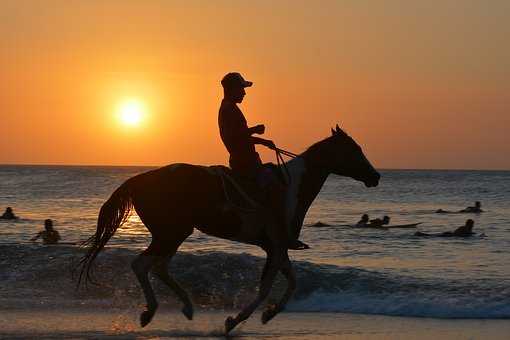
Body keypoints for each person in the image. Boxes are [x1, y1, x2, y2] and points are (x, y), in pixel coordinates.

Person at [218, 72, 307, 250]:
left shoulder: (229, 108)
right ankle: (280, 234)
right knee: (276, 188)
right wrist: (255, 130)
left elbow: (239, 137)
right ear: (232, 89)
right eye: (241, 89)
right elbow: (234, 137)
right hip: (245, 162)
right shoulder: (229, 109)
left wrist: (262, 141)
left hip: (247, 159)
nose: (244, 93)